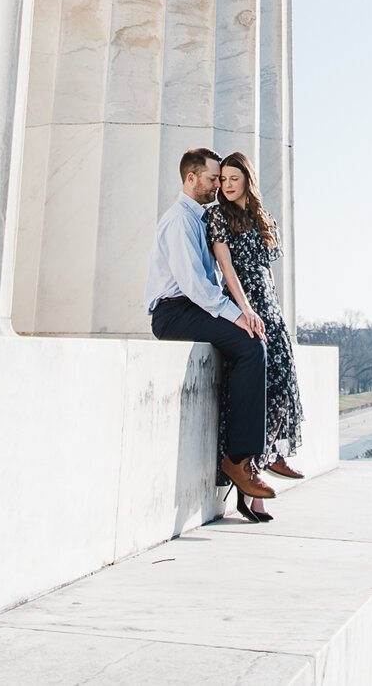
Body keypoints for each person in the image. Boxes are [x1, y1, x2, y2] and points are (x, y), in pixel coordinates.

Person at [145, 146, 274, 509]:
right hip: (174, 312)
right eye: (213, 178)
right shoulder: (180, 221)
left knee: (253, 346)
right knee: (250, 345)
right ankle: (238, 460)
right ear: (191, 178)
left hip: (191, 307)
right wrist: (237, 314)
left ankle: (246, 458)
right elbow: (195, 285)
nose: (218, 185)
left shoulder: (200, 217)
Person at [208, 152, 307, 518]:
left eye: (234, 178)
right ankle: (252, 484)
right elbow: (226, 266)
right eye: (223, 179)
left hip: (271, 307)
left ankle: (259, 464)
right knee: (254, 389)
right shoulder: (219, 216)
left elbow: (268, 270)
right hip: (245, 305)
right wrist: (245, 310)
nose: (227, 185)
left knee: (281, 386)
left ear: (247, 180)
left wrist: (269, 311)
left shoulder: (264, 219)